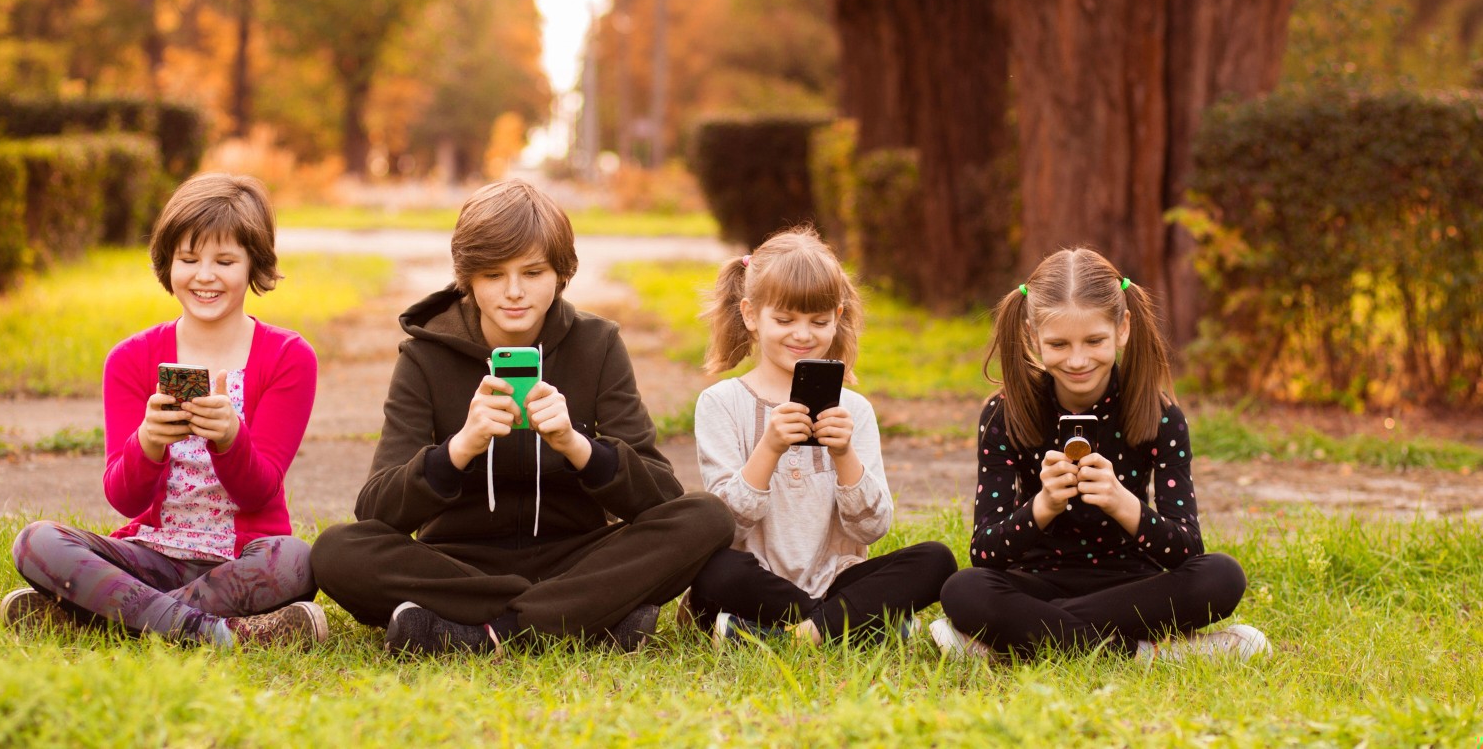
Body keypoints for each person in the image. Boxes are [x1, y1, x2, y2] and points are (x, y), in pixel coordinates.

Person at [310, 179, 733, 654]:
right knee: (336, 550)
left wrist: (578, 446)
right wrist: (458, 450)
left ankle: (482, 632)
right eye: (494, 275)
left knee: (707, 516)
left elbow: (660, 496)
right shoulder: (425, 357)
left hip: (578, 556)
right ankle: (586, 619)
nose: (514, 292)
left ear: (561, 273)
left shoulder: (598, 345)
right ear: (467, 279)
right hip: (457, 565)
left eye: (532, 273)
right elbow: (377, 511)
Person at [2, 173, 326, 647]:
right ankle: (220, 634)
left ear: (253, 263)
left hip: (239, 561)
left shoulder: (288, 357)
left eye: (225, 260)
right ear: (168, 263)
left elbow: (259, 492)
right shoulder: (130, 359)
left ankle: (95, 616)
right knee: (36, 541)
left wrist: (231, 439)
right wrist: (148, 442)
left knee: (297, 560)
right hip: (149, 553)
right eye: (189, 259)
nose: (205, 276)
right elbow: (124, 498)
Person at [935, 247, 1266, 662]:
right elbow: (985, 552)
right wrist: (1042, 505)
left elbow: (1186, 551)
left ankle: (1014, 644)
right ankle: (1151, 654)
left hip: (1131, 587)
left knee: (1222, 576)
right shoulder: (1005, 413)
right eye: (1058, 344)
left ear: (1122, 328)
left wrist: (1120, 501)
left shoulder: (1160, 415)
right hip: (1034, 581)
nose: (1077, 360)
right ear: (1033, 336)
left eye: (1094, 340)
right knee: (963, 589)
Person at [684, 226, 956, 645]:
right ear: (750, 315)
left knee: (936, 560)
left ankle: (786, 637)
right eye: (785, 319)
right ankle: (858, 627)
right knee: (712, 570)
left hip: (836, 581)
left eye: (819, 321)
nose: (802, 334)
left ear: (838, 319)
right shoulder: (720, 403)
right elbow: (726, 528)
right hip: (755, 581)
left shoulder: (855, 410)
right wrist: (769, 448)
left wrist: (845, 455)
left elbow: (872, 528)